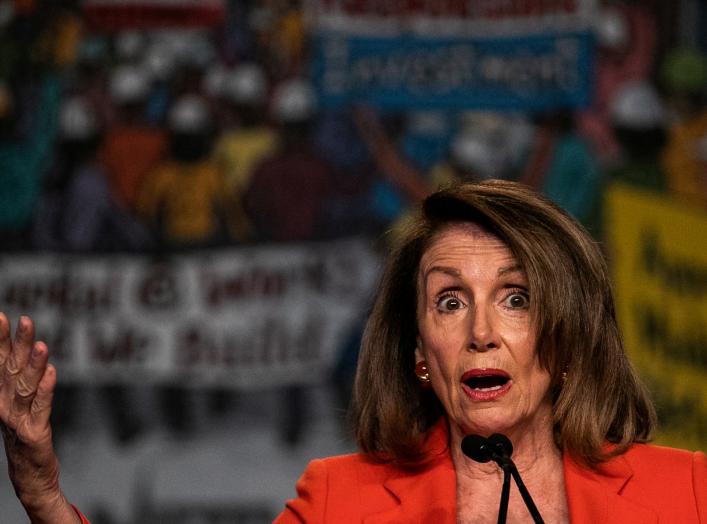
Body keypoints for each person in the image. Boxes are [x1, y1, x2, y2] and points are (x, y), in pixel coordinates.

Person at [2, 180, 706, 523]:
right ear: (419, 355)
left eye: (515, 297)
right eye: (449, 301)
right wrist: (42, 494)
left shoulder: (686, 494)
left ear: (570, 339)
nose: (480, 331)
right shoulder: (342, 502)